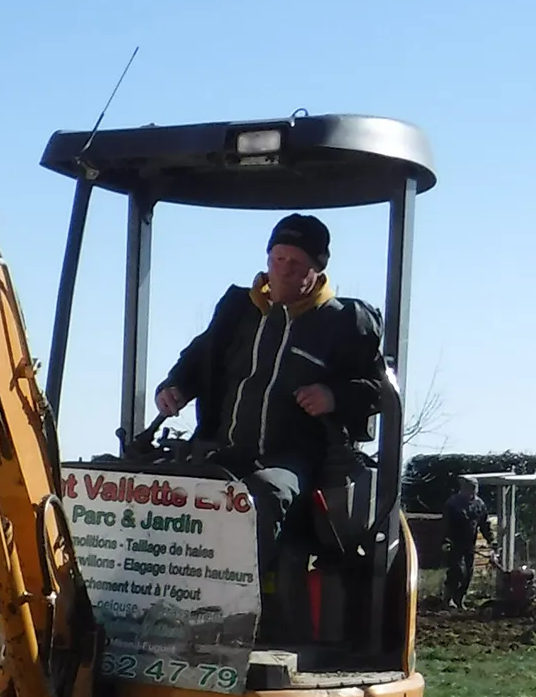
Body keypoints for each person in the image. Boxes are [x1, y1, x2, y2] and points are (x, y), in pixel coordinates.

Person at [152, 213, 386, 623]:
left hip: (293, 459)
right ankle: (146, 609)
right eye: (277, 259)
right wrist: (174, 387)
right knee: (154, 491)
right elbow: (198, 357)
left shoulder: (343, 322)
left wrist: (333, 395)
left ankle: (229, 620)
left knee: (258, 497)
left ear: (317, 270)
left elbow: (377, 388)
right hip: (221, 450)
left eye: (294, 263)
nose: (282, 270)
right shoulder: (239, 311)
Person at [443, 477, 493, 608]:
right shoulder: (453, 503)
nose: (472, 492)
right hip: (454, 543)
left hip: (470, 543)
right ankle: (447, 600)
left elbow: (484, 524)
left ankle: (460, 600)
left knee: (468, 574)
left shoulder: (479, 504)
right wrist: (446, 540)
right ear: (464, 488)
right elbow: (446, 524)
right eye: (470, 489)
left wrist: (491, 540)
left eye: (474, 490)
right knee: (457, 571)